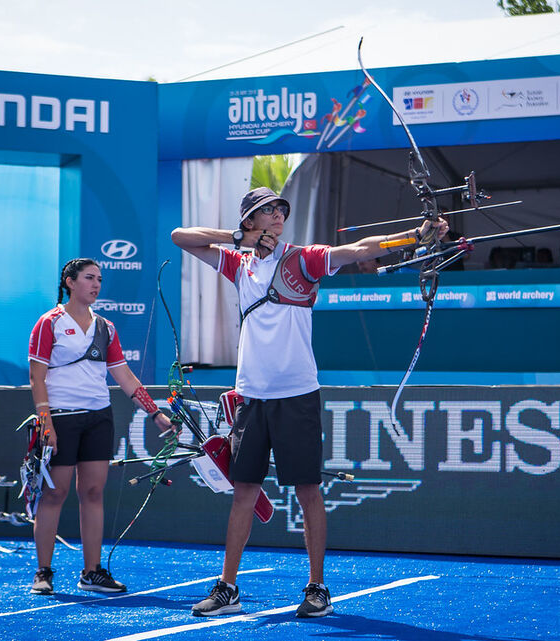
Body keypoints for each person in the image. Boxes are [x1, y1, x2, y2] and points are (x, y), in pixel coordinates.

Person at [171, 187, 447, 618]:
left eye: (280, 209)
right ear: (249, 221)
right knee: (244, 492)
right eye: (267, 211)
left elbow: (358, 249)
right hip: (251, 396)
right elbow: (180, 237)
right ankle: (228, 588)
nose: (278, 215)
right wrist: (237, 239)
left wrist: (415, 235)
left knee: (307, 491)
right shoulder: (239, 263)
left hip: (296, 394)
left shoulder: (303, 259)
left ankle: (318, 588)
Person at [27, 258, 174, 595]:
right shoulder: (49, 323)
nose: (96, 284)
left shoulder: (106, 327)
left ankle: (91, 572)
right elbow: (36, 377)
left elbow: (124, 376)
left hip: (98, 417)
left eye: (99, 279)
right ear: (70, 282)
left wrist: (155, 414)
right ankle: (43, 572)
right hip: (60, 417)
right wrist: (46, 422)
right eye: (89, 278)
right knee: (54, 493)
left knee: (93, 492)